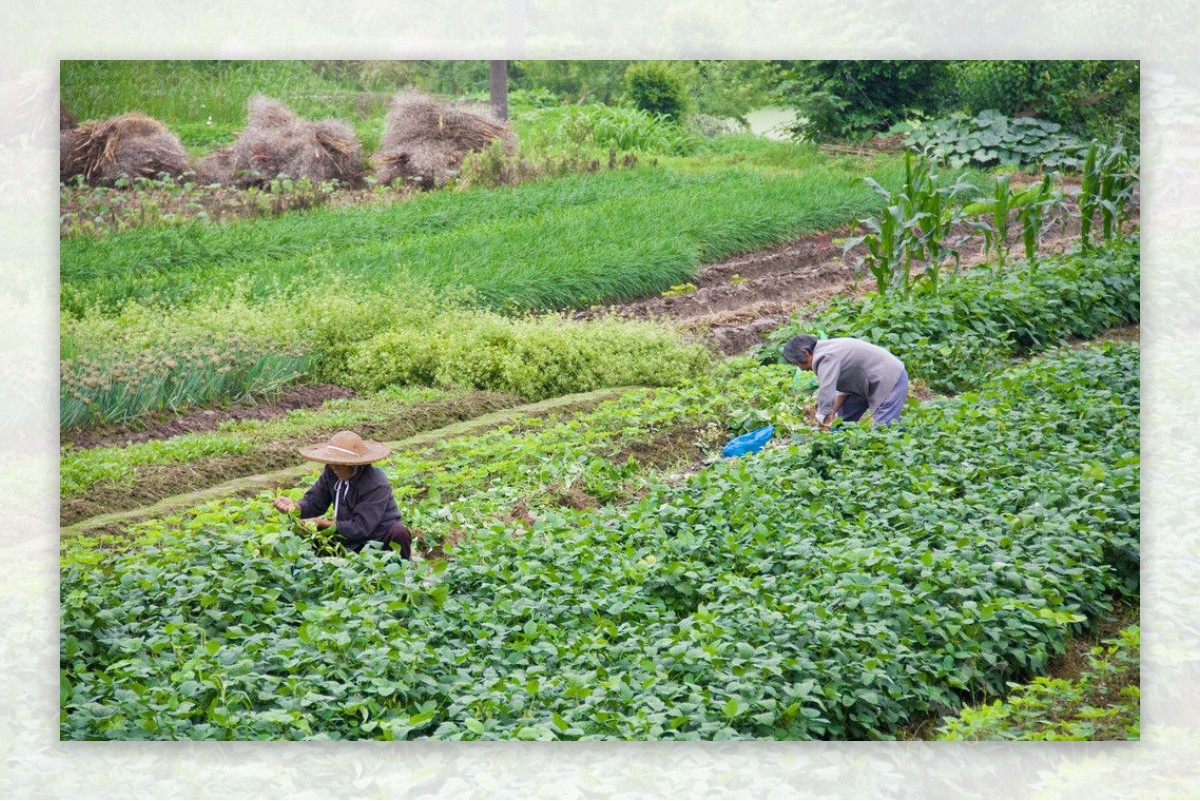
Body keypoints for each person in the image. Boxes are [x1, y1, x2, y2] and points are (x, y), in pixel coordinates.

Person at [272, 430, 412, 558]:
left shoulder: (375, 483)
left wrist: (321, 523)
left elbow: (360, 528)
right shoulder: (331, 472)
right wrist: (295, 508)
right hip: (347, 537)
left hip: (377, 537)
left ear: (353, 464)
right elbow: (314, 502)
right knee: (306, 536)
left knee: (399, 533)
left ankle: (402, 572)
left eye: (339, 463)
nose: (333, 466)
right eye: (332, 462)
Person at [781, 334, 909, 428]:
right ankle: (838, 444)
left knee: (883, 430)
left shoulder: (824, 357)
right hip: (864, 382)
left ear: (806, 353)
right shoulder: (826, 349)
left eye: (798, 363)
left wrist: (822, 419)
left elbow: (827, 390)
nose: (801, 369)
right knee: (841, 422)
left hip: (889, 377)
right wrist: (831, 414)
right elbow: (840, 390)